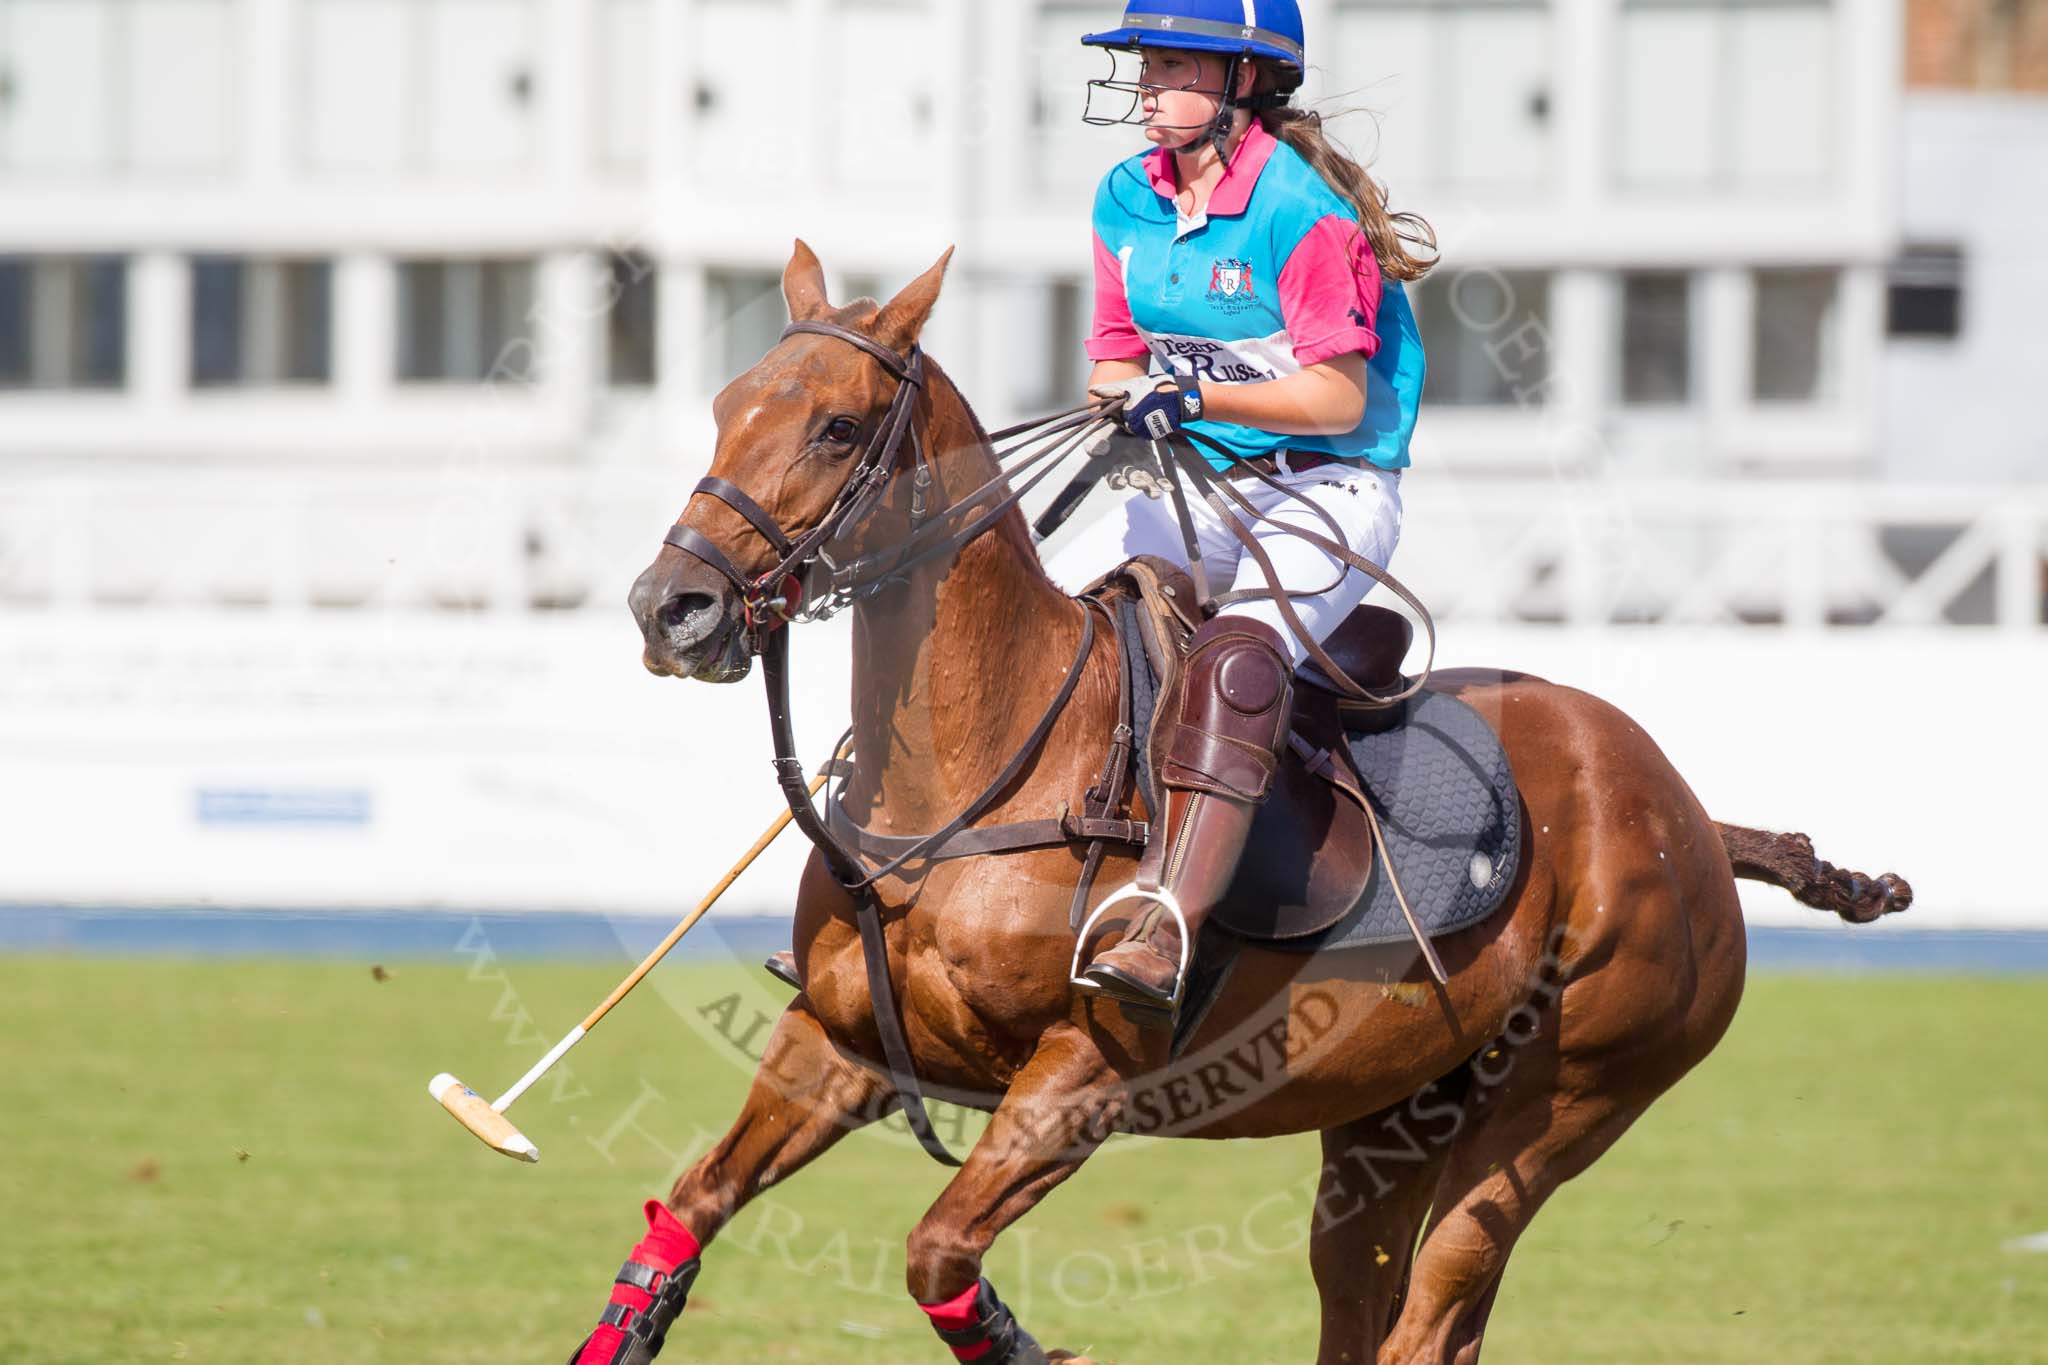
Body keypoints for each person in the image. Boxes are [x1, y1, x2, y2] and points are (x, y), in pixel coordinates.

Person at [1047, 0, 1437, 1014]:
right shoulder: (1124, 199)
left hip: (1324, 489)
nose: (1146, 89)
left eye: (1174, 65)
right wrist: (1129, 401)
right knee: (1049, 626)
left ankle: (1167, 922)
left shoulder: (1300, 213)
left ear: (1244, 84)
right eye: (1146, 65)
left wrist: (1196, 395)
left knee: (1232, 670)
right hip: (1193, 487)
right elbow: (1111, 362)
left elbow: (1335, 398)